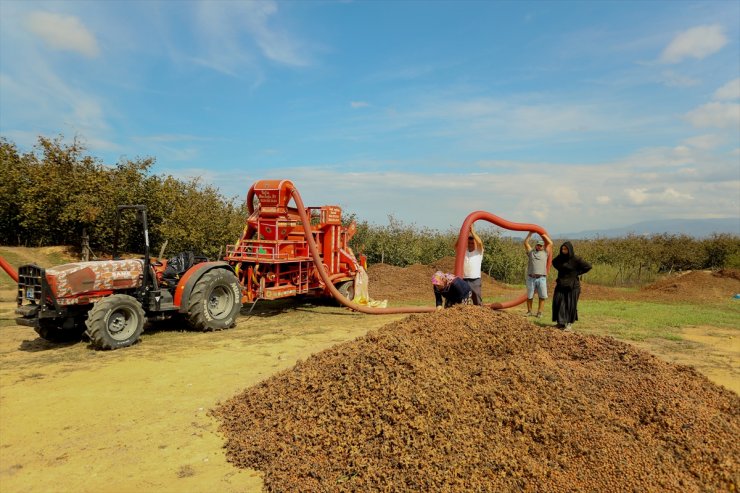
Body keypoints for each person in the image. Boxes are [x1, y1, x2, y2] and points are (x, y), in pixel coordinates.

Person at [551, 241, 592, 331]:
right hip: (561, 284)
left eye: (565, 249)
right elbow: (553, 262)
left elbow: (588, 266)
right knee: (558, 302)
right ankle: (560, 323)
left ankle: (569, 324)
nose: (563, 251)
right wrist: (560, 269)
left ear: (570, 250)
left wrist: (577, 272)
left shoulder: (576, 259)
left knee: (570, 304)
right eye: (562, 249)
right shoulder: (560, 258)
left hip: (572, 286)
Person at [524, 232, 553, 318]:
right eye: (538, 245)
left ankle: (539, 312)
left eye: (541, 245)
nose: (539, 246)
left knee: (542, 296)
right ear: (535, 245)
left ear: (543, 246)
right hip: (531, 278)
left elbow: (551, 243)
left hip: (541, 278)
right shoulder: (531, 252)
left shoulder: (545, 253)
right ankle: (529, 311)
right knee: (529, 296)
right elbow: (525, 243)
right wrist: (530, 234)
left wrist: (544, 235)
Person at [463, 225, 484, 305]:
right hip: (464, 279)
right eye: (469, 242)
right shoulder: (464, 251)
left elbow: (480, 243)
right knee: (464, 299)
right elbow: (456, 246)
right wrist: (464, 233)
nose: (470, 244)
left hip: (475, 279)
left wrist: (472, 232)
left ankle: (479, 313)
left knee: (477, 299)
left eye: (472, 243)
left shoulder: (479, 252)